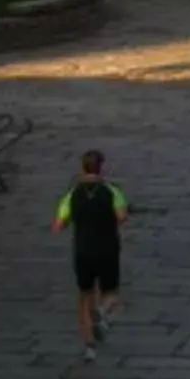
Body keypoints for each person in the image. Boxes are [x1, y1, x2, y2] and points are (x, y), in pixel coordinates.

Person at [50, 150, 127, 362]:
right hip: (108, 249)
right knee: (111, 293)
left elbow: (58, 225)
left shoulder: (72, 194)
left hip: (83, 251)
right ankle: (102, 312)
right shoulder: (112, 191)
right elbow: (121, 217)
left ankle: (89, 347)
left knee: (84, 297)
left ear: (82, 168)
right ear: (101, 168)